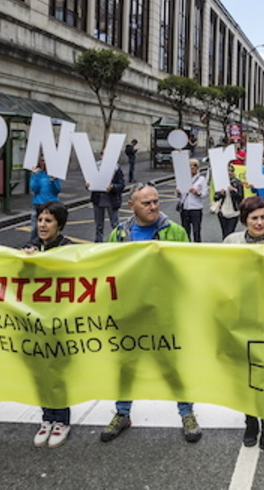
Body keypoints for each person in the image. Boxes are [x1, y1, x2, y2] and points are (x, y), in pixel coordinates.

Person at [101, 184, 202, 444]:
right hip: (129, 313)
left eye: (156, 201)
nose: (154, 206)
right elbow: (106, 271)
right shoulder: (119, 234)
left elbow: (190, 270)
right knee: (126, 366)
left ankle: (187, 413)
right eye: (146, 203)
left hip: (166, 314)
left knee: (174, 366)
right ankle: (122, 413)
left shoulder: (175, 232)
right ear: (131, 206)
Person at [224, 197, 264, 460]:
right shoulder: (231, 242)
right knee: (246, 373)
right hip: (242, 318)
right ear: (245, 221)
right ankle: (250, 422)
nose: (260, 222)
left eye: (263, 217)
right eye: (254, 218)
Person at [22, 201, 74, 448]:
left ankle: (62, 419)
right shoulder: (29, 248)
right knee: (41, 371)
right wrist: (25, 262)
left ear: (59, 225)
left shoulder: (69, 250)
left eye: (48, 221)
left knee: (58, 372)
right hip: (36, 323)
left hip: (61, 322)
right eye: (40, 220)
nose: (42, 225)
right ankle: (47, 418)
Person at [86, 154, 125, 243]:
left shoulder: (116, 169)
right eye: (104, 154)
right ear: (101, 156)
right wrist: (88, 185)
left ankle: (119, 242)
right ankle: (98, 243)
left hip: (112, 200)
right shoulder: (96, 168)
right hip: (98, 200)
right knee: (99, 225)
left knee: (115, 224)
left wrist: (113, 187)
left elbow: (121, 185)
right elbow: (90, 183)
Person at [29, 157, 63, 243]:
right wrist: (35, 177)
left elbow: (57, 190)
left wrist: (54, 180)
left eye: (46, 161)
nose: (44, 163)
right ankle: (34, 245)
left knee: (51, 228)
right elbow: (34, 189)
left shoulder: (55, 174)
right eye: (42, 161)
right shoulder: (37, 173)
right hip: (38, 204)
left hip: (51, 204)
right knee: (35, 228)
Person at [177, 158, 207, 242]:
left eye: (195, 165)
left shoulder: (201, 179)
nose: (192, 167)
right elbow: (178, 194)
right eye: (190, 165)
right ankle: (187, 247)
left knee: (196, 230)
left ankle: (197, 247)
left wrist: (197, 193)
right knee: (185, 230)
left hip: (196, 208)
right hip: (185, 208)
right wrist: (178, 192)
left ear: (198, 167)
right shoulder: (183, 178)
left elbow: (205, 193)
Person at [215, 162, 244, 239]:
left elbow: (241, 197)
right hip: (222, 211)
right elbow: (216, 197)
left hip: (234, 211)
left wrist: (233, 191)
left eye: (231, 170)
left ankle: (230, 247)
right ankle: (225, 247)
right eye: (227, 171)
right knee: (224, 232)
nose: (229, 173)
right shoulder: (220, 182)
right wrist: (221, 193)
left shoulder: (237, 182)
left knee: (230, 232)